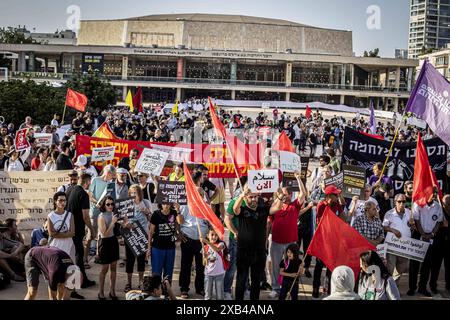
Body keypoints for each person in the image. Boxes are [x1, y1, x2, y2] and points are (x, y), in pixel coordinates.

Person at [268, 171, 306, 298]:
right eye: (282, 194)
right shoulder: (275, 205)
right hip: (276, 241)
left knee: (291, 266)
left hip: (291, 243)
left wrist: (298, 178)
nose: (284, 196)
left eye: (286, 194)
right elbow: (269, 221)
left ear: (290, 195)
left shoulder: (295, 205)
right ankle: (275, 287)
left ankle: (289, 287)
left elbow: (303, 194)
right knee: (275, 266)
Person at [233, 185, 274, 301]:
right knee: (241, 279)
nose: (254, 199)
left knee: (256, 281)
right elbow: (235, 209)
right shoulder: (243, 210)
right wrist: (242, 195)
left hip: (259, 253)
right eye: (251, 197)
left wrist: (279, 197)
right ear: (246, 198)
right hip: (244, 252)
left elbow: (276, 208)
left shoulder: (263, 209)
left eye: (256, 197)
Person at [312, 185, 346, 298]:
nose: (337, 196)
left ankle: (327, 289)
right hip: (322, 241)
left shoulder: (337, 205)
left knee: (331, 266)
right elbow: (321, 223)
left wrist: (340, 202)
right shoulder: (322, 205)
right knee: (318, 265)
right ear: (329, 196)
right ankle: (315, 289)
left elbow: (344, 219)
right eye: (336, 194)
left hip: (333, 241)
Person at [65, 172, 96, 293]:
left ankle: (79, 280)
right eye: (89, 182)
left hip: (68, 228)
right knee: (79, 255)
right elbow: (85, 216)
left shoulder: (69, 190)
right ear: (87, 182)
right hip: (77, 229)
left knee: (73, 255)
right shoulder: (83, 194)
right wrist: (92, 230)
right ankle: (81, 281)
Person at [408, 191, 443, 297]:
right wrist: (423, 234)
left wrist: (432, 234)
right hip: (418, 236)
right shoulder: (418, 204)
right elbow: (416, 220)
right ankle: (412, 288)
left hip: (430, 237)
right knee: (414, 264)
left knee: (427, 264)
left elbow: (439, 221)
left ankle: (422, 287)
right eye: (431, 193)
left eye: (435, 193)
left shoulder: (437, 206)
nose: (434, 195)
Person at [123, 184, 152, 292]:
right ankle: (129, 283)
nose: (134, 195)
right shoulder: (127, 204)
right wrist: (125, 224)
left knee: (141, 261)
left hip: (142, 234)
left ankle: (140, 282)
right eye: (132, 193)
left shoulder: (146, 202)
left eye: (136, 192)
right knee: (130, 260)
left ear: (140, 193)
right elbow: (121, 219)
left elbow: (151, 218)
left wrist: (146, 212)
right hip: (130, 235)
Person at [383, 193, 414, 285]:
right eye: (399, 201)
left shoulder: (409, 213)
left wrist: (412, 225)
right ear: (395, 202)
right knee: (390, 267)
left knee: (401, 268)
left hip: (405, 245)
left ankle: (394, 286)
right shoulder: (389, 213)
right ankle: (387, 287)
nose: (401, 203)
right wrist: (393, 230)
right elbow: (384, 227)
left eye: (403, 201)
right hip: (392, 245)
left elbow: (413, 227)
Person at [148, 203, 180, 285]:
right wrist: (149, 248)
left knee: (168, 274)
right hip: (157, 248)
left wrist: (178, 210)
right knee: (156, 273)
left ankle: (167, 293)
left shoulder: (174, 212)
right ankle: (155, 293)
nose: (166, 206)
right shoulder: (156, 214)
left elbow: (179, 224)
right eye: (164, 204)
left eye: (168, 204)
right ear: (160, 204)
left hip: (170, 248)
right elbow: (151, 232)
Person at [97, 196, 120, 300]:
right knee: (104, 269)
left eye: (112, 204)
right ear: (104, 205)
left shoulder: (114, 214)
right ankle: (100, 292)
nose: (110, 206)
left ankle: (112, 291)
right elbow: (104, 234)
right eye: (108, 204)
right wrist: (112, 223)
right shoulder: (101, 216)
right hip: (105, 242)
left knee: (114, 267)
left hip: (113, 241)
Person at [47, 192, 76, 263]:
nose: (63, 202)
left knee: (68, 268)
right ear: (55, 201)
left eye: (64, 200)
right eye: (60, 200)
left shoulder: (70, 215)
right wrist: (66, 233)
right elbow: (51, 234)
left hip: (68, 246)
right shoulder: (51, 216)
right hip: (55, 247)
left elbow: (72, 233)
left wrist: (58, 234)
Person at [431, 194, 450, 295]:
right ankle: (433, 286)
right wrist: (440, 225)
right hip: (438, 244)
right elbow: (431, 224)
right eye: (447, 204)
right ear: (443, 204)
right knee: (435, 266)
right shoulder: (438, 212)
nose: (449, 206)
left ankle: (448, 285)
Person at [201, 228, 227, 300]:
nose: (214, 237)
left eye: (216, 235)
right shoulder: (205, 247)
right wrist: (205, 257)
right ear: (207, 235)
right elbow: (203, 263)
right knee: (208, 295)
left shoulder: (221, 244)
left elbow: (217, 249)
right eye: (212, 235)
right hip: (208, 274)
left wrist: (207, 242)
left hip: (219, 274)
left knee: (219, 295)